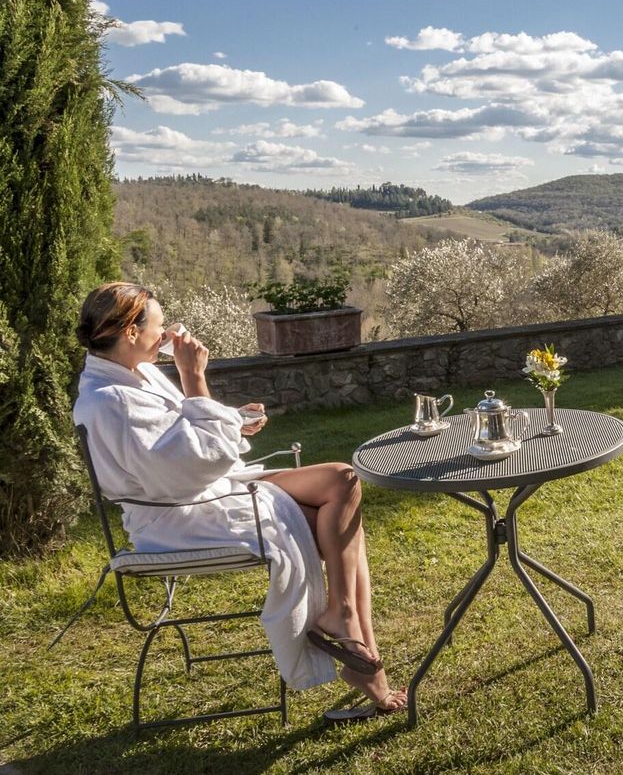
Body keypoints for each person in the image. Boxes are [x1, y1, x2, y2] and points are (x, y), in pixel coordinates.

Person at [72, 281, 405, 718]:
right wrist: (194, 376)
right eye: (159, 325)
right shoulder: (109, 401)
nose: (166, 334)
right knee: (340, 522)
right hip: (181, 516)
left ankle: (344, 621)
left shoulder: (135, 375)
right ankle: (361, 654)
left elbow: (182, 436)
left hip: (205, 491)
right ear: (131, 332)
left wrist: (233, 420)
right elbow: (194, 463)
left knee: (342, 482)